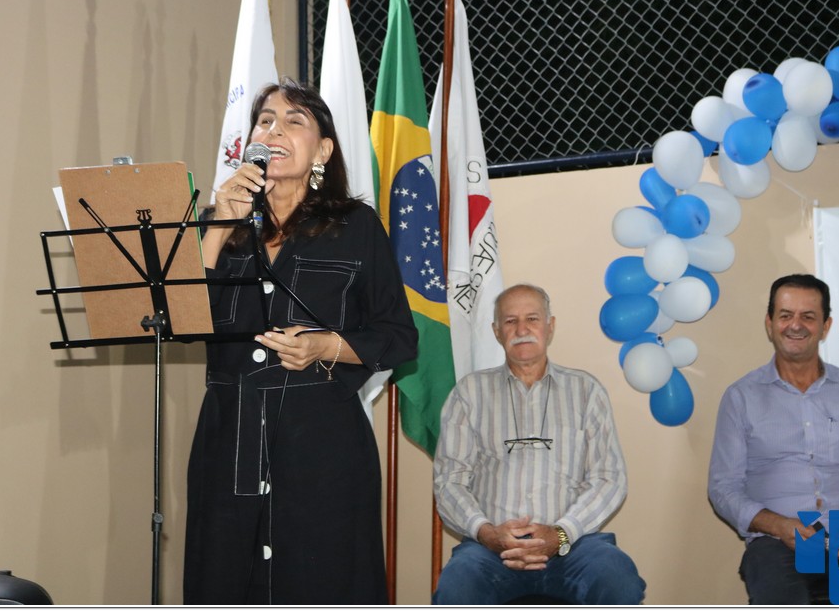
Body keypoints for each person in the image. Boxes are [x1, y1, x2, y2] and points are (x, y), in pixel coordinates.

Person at [184, 79, 418, 604]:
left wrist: (325, 346)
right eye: (265, 121)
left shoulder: (356, 226)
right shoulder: (217, 226)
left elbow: (398, 337)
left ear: (323, 151)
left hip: (323, 446)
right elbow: (180, 320)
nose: (274, 131)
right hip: (229, 441)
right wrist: (219, 225)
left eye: (294, 122)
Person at [432, 283, 646, 605]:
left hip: (574, 547)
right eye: (510, 321)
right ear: (496, 332)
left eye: (532, 319)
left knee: (619, 580)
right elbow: (450, 482)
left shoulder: (586, 391)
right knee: (456, 587)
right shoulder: (469, 393)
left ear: (550, 326)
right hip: (490, 551)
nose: (522, 330)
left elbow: (609, 478)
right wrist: (487, 533)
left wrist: (561, 533)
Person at [708, 273, 839, 605]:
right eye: (786, 315)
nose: (795, 325)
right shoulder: (741, 397)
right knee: (777, 585)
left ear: (825, 326)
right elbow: (723, 488)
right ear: (769, 323)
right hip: (779, 545)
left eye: (808, 316)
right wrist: (778, 525)